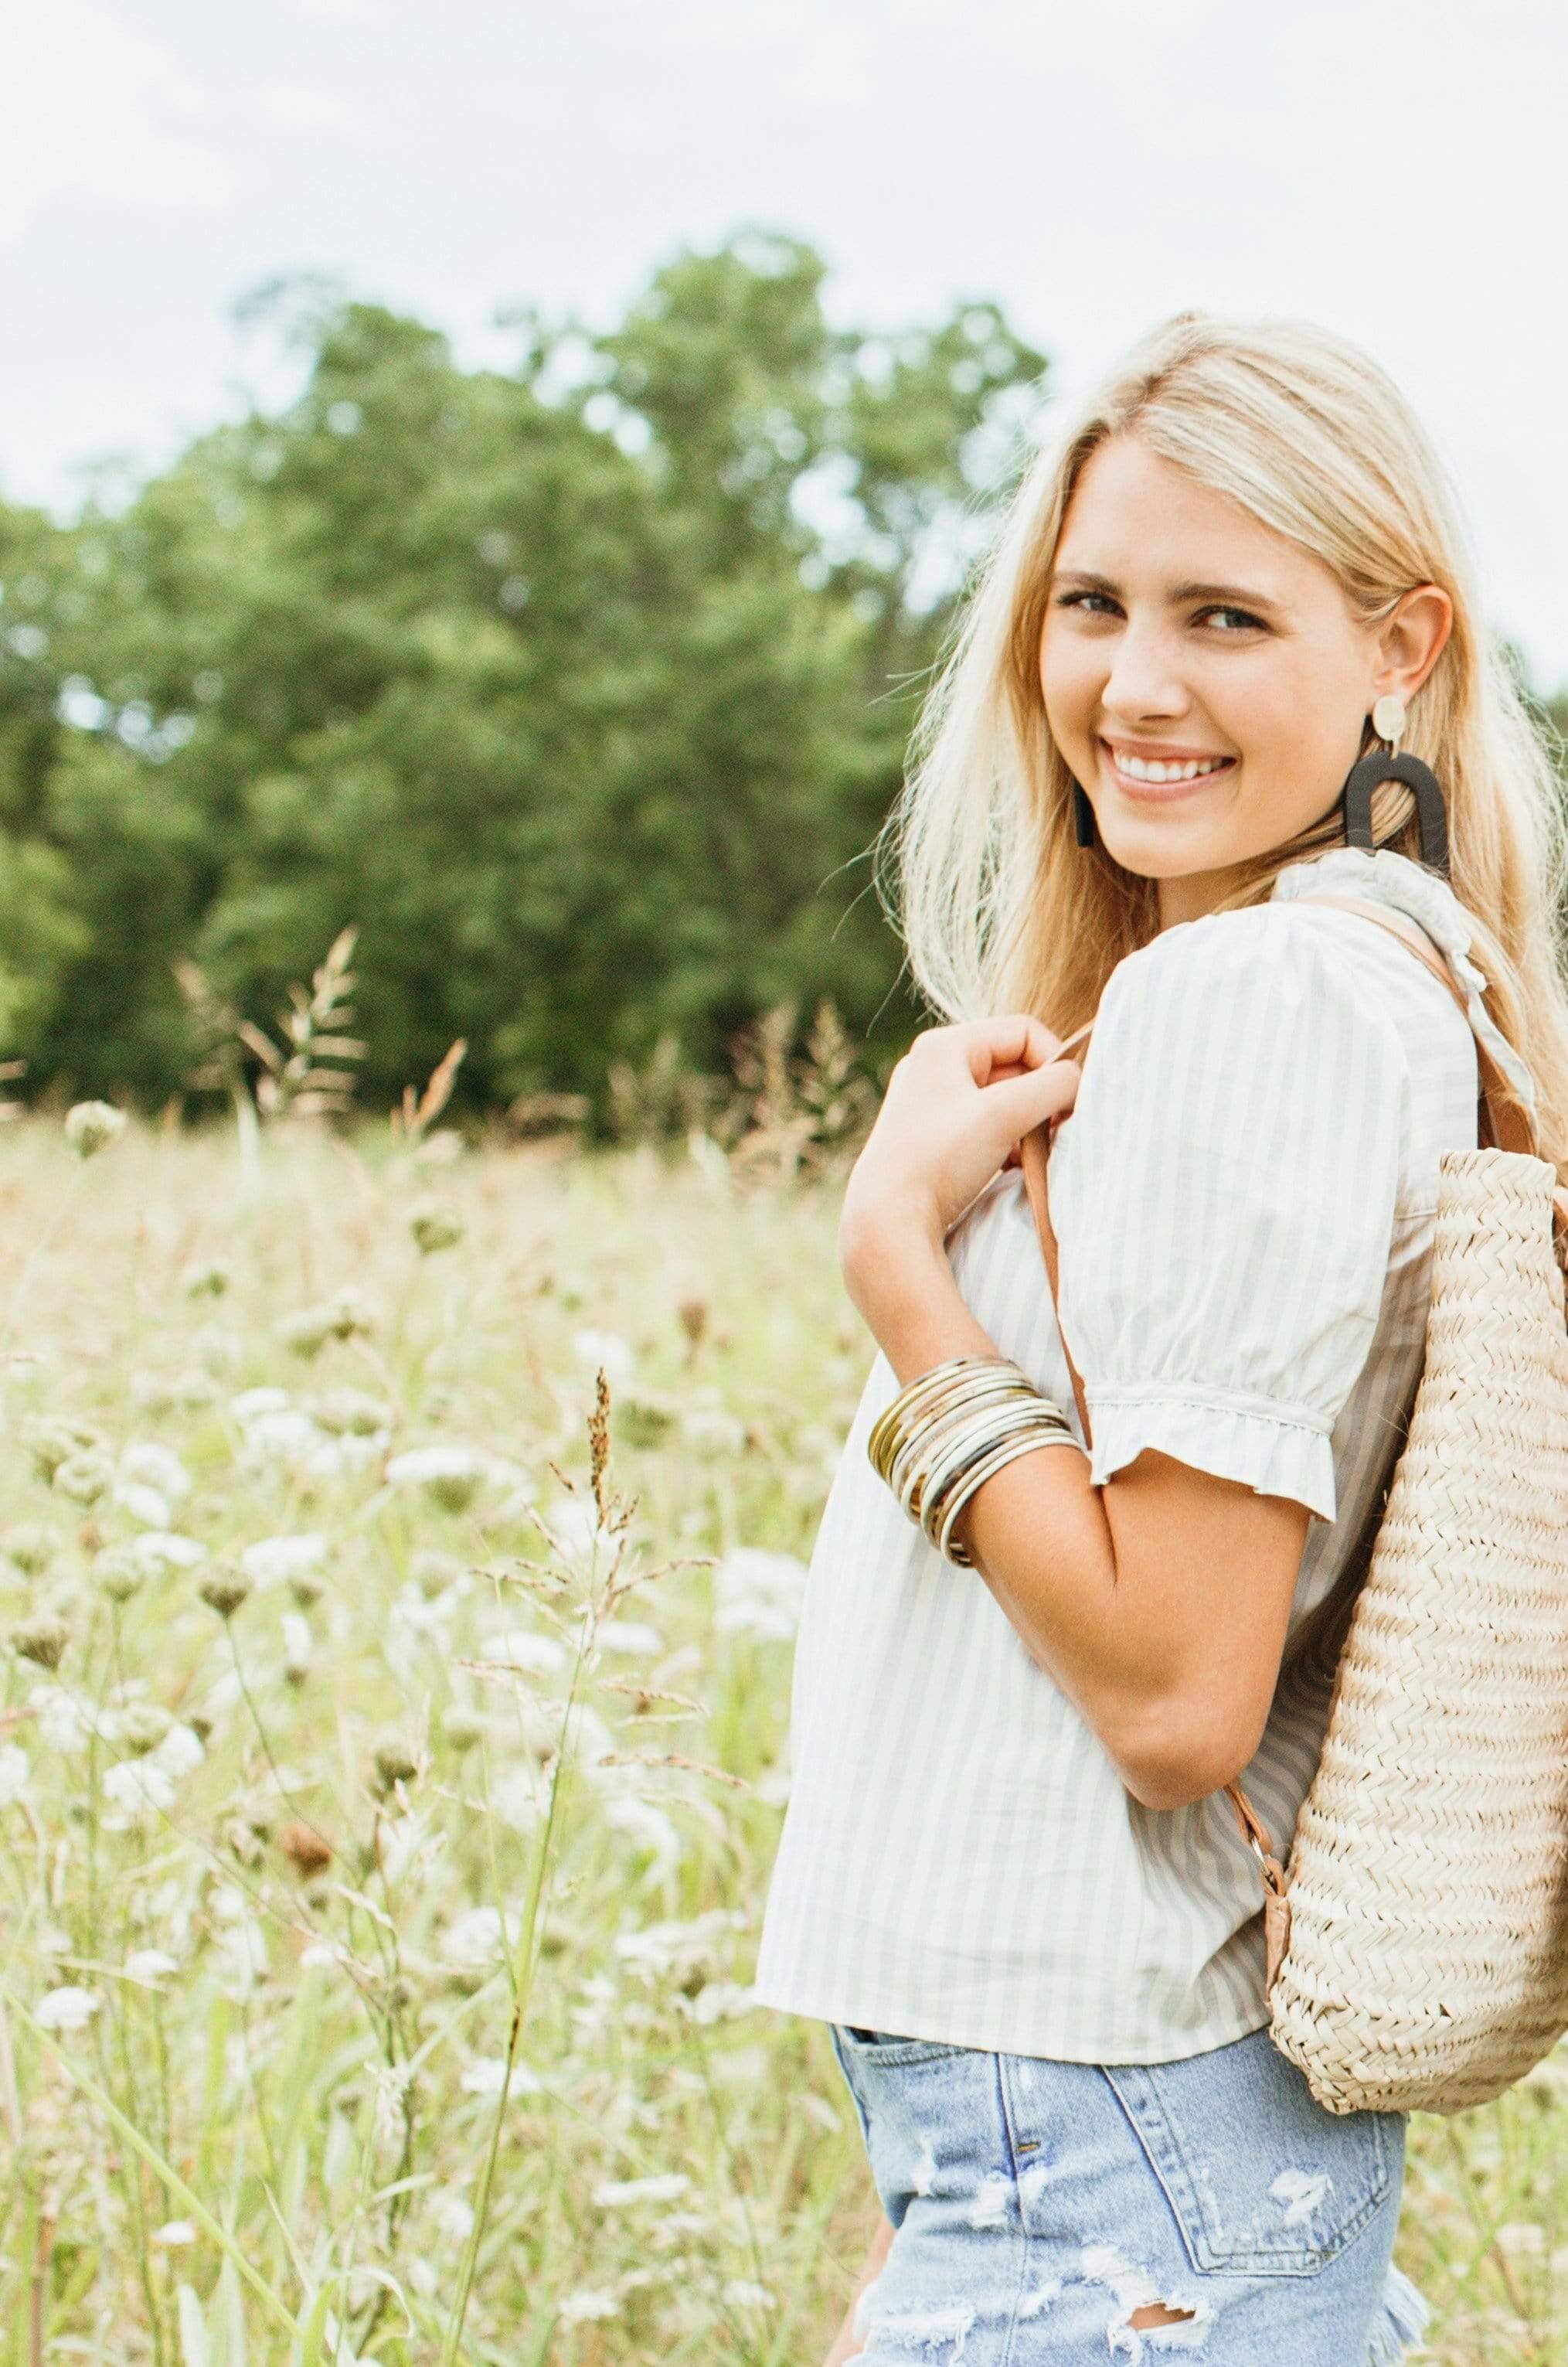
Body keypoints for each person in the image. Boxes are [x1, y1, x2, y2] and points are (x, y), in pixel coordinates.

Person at [749, 312, 1568, 2365]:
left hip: (1101, 2171)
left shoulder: (1263, 1006)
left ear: (1404, 648)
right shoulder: (1386, 987)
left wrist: (903, 1271)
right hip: (1111, 2165)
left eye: (1225, 615)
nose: (1134, 686)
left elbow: (1178, 1695)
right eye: (1091, 603)